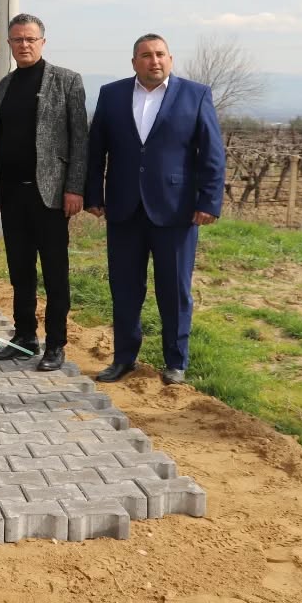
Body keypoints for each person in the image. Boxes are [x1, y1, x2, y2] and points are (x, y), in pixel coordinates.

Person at [84, 33, 225, 386]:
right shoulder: (111, 94)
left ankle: (175, 362)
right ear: (134, 62)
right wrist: (93, 195)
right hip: (124, 209)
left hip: (176, 212)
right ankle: (124, 359)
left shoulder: (196, 95)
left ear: (171, 59)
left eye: (160, 54)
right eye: (145, 55)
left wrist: (209, 201)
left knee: (174, 290)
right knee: (125, 288)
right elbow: (95, 150)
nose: (154, 61)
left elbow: (212, 154)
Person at [0, 14, 88, 371]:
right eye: (17, 40)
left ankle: (56, 344)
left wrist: (75, 188)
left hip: (52, 196)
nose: (23, 45)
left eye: (30, 39)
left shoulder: (67, 82)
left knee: (56, 273)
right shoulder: (4, 86)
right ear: (9, 44)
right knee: (20, 271)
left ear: (43, 42)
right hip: (13, 195)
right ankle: (25, 336)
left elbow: (80, 140)